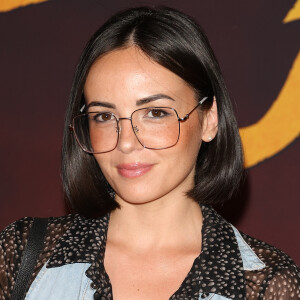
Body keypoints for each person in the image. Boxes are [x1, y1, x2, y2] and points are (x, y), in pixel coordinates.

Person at [0, 6, 299, 300]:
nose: (126, 142)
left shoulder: (264, 285)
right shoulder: (24, 254)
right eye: (104, 116)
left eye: (155, 113)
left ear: (209, 119)